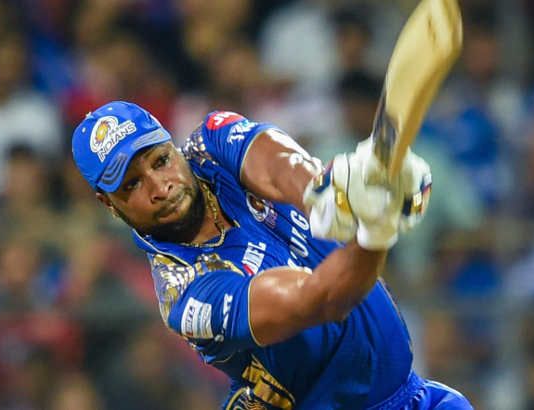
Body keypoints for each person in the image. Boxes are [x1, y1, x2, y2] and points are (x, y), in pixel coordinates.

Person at [71, 101, 472, 409]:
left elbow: (283, 167)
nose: (160, 187)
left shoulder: (211, 144)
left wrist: (330, 192)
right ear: (109, 204)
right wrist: (376, 229)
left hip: (414, 395)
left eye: (161, 161)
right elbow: (324, 298)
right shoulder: (187, 296)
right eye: (132, 185)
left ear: (173, 146)